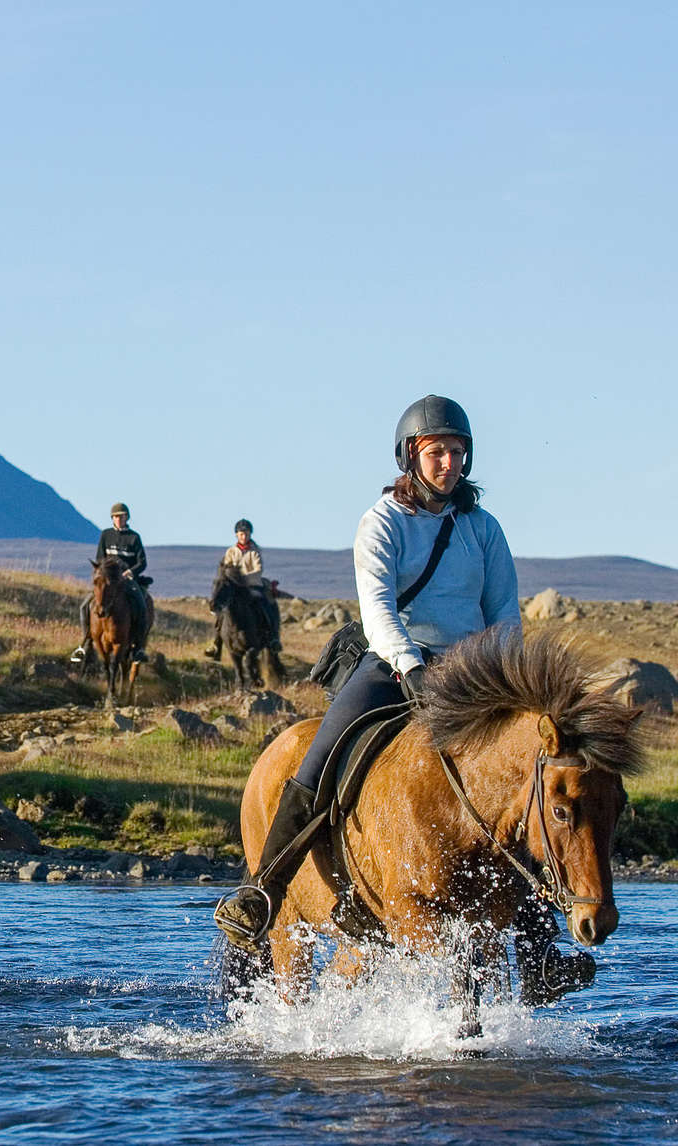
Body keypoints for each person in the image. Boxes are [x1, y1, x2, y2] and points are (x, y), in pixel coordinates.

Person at [213, 396, 592, 1000]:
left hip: (475, 675)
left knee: (525, 782)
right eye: (437, 451)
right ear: (410, 455)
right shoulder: (381, 521)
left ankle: (540, 947)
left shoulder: (483, 528)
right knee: (320, 757)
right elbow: (378, 609)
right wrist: (412, 667)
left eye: (458, 452)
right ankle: (264, 891)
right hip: (394, 666)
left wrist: (506, 679)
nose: (449, 462)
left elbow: (504, 615)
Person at [71, 503, 151, 665]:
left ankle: (138, 647)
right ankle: (86, 643)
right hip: (108, 580)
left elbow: (142, 562)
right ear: (112, 518)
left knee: (141, 604)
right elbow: (100, 558)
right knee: (85, 606)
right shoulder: (106, 535)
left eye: (121, 516)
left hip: (127, 580)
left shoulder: (134, 538)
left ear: (127, 517)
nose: (118, 519)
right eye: (116, 516)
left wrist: (130, 572)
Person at [204, 518, 282, 659]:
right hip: (234, 588)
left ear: (250, 534)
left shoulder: (255, 551)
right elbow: (224, 569)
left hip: (253, 585)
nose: (244, 536)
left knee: (265, 604)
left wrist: (241, 579)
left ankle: (272, 638)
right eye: (241, 534)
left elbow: (258, 570)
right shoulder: (231, 552)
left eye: (246, 533)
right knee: (222, 610)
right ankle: (216, 643)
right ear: (236, 535)